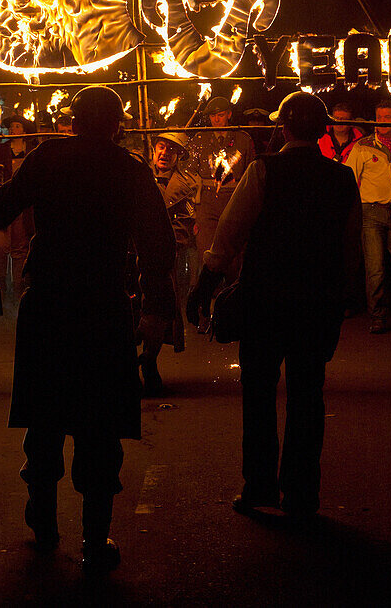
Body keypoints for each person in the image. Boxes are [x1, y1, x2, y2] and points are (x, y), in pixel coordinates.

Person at [0, 86, 176, 571]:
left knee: (45, 421)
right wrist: (154, 308)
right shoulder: (130, 170)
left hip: (50, 306)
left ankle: (43, 525)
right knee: (98, 428)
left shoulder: (48, 158)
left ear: (74, 120)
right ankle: (94, 538)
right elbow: (158, 244)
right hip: (104, 310)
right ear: (117, 123)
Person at [187, 91, 361, 520]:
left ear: (283, 129)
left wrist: (204, 284)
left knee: (259, 395)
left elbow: (230, 231)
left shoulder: (265, 170)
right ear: (322, 129)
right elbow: (350, 245)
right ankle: (301, 494)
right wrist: (345, 297)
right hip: (316, 302)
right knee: (307, 395)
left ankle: (260, 486)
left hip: (266, 299)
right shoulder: (341, 178)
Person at [138, 131, 200, 394]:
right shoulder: (136, 178)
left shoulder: (184, 186)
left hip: (160, 259)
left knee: (159, 313)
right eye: (161, 147)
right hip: (130, 256)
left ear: (178, 158)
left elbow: (184, 228)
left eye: (171, 151)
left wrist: (163, 242)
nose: (164, 154)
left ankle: (149, 361)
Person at [345, 102, 391, 333]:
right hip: (371, 212)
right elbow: (349, 179)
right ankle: (378, 315)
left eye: (387, 116)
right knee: (375, 268)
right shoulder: (362, 146)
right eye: (378, 116)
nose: (382, 120)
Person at [187, 96, 255, 300]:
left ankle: (234, 304)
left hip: (234, 199)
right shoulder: (200, 140)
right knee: (207, 254)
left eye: (220, 115)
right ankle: (205, 308)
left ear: (228, 115)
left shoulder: (243, 139)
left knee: (235, 256)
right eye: (212, 116)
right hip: (207, 202)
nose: (216, 120)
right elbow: (189, 171)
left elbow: (252, 172)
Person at [0, 115, 36, 304]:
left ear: (24, 131)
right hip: (4, 204)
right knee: (0, 247)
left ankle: (18, 285)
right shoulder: (1, 149)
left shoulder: (32, 151)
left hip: (23, 207)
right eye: (11, 126)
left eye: (17, 126)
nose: (13, 129)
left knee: (20, 248)